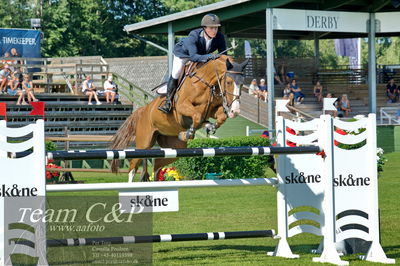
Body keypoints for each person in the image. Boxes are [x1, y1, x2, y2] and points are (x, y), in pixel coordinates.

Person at [158, 13, 227, 113]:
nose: (214, 31)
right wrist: (210, 56)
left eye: (216, 28)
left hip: (201, 55)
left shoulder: (220, 37)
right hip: (183, 55)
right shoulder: (194, 35)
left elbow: (223, 55)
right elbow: (194, 57)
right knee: (176, 72)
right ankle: (167, 102)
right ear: (204, 28)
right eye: (211, 28)